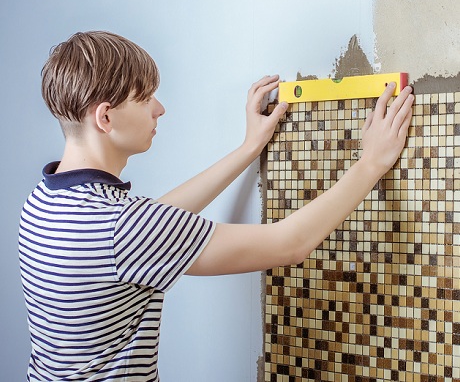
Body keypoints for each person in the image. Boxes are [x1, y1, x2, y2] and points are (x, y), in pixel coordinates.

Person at [19, 31, 414, 382]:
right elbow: (289, 244)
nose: (159, 109)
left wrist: (248, 148)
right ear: (106, 117)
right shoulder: (124, 228)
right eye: (145, 98)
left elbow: (155, 223)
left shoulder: (46, 200)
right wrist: (371, 163)